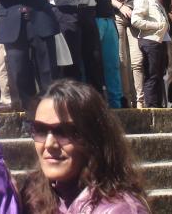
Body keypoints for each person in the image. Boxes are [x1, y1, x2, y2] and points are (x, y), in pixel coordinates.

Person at [20, 79, 149, 213]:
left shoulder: (120, 210)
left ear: (94, 138)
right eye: (40, 130)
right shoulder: (32, 197)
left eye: (64, 132)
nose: (49, 144)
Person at [106, 0, 144, 108]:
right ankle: (126, 99)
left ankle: (140, 100)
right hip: (116, 15)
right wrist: (119, 5)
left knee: (137, 60)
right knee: (122, 61)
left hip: (134, 13)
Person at [131, 0, 169, 108]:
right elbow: (136, 20)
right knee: (152, 74)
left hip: (159, 39)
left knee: (159, 73)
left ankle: (158, 104)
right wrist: (157, 26)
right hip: (150, 40)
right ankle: (152, 105)